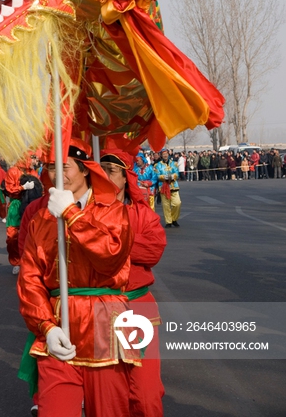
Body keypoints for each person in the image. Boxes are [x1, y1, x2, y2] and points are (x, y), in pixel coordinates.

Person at [18, 139, 133, 417]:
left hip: (105, 321)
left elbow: (110, 256)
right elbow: (30, 279)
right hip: (59, 326)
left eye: (65, 167)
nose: (58, 175)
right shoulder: (40, 219)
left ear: (85, 170)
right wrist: (45, 326)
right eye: (51, 168)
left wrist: (71, 214)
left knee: (110, 410)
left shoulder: (113, 210)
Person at [101, 148, 167, 417]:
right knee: (108, 395)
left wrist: (105, 244)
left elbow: (153, 251)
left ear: (126, 177)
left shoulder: (143, 215)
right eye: (100, 168)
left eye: (112, 170)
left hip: (138, 307)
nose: (104, 175)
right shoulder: (81, 213)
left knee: (146, 392)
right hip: (98, 309)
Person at [5, 156, 38, 275]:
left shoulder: (33, 172)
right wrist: (22, 187)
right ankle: (16, 261)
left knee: (31, 234)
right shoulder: (13, 171)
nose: (34, 160)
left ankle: (29, 261)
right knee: (12, 236)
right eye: (32, 158)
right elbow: (9, 188)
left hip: (30, 204)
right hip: (16, 204)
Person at [154, 148, 181, 228]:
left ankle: (174, 218)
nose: (165, 155)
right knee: (166, 205)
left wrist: (173, 176)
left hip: (174, 186)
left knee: (177, 203)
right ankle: (168, 221)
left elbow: (177, 173)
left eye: (166, 154)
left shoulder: (174, 163)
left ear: (168, 154)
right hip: (163, 187)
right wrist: (164, 177)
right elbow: (157, 175)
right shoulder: (158, 165)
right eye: (163, 154)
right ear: (161, 155)